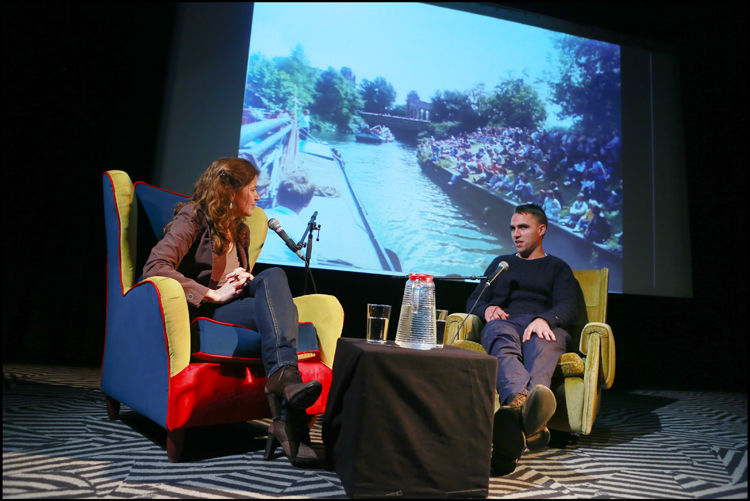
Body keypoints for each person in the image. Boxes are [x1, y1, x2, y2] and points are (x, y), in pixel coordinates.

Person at [143, 156, 323, 467]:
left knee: (274, 278)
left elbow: (236, 281)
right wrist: (210, 292)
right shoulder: (193, 217)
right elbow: (155, 267)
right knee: (286, 314)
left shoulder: (241, 231)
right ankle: (289, 421)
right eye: (252, 189)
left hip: (234, 305)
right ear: (229, 191)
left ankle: (283, 380)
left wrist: (244, 278)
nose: (258, 196)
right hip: (207, 310)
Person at [465, 203, 577, 474]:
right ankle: (529, 415)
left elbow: (568, 306)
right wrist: (486, 309)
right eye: (513, 228)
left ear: (541, 230)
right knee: (495, 332)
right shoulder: (501, 264)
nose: (516, 233)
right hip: (506, 323)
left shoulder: (557, 267)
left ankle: (513, 415)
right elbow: (474, 300)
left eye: (523, 227)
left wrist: (545, 319)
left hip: (543, 326)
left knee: (541, 343)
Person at [263, 171, 316, 264]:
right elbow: (311, 264)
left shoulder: (257, 216)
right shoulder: (302, 232)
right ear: (307, 203)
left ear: (278, 196)